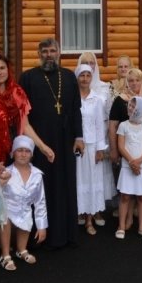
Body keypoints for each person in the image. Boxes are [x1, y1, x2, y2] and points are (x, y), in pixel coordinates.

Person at [0, 53, 54, 256]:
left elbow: (24, 125)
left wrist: (43, 146)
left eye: (2, 68)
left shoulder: (17, 92)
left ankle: (13, 245)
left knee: (12, 198)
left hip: (13, 152)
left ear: (8, 70)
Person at [18, 38, 84, 249]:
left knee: (64, 185)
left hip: (65, 141)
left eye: (52, 50)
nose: (48, 54)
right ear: (39, 54)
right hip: (39, 141)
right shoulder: (28, 78)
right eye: (44, 51)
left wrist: (79, 137)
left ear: (59, 53)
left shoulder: (69, 77)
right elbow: (21, 115)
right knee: (40, 187)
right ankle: (38, 235)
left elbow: (75, 109)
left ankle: (66, 233)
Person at [108, 67, 142, 230]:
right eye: (131, 80)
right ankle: (128, 218)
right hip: (126, 151)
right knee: (127, 190)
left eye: (137, 80)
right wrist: (114, 150)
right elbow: (113, 125)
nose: (134, 83)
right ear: (126, 83)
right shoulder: (120, 100)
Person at [0, 136, 48, 271]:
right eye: (19, 150)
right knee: (4, 216)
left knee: (26, 215)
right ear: (13, 153)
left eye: (27, 151)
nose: (23, 154)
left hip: (24, 212)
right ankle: (5, 254)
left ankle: (21, 250)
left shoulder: (37, 175)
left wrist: (42, 226)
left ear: (31, 155)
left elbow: (40, 202)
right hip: (5, 212)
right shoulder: (6, 171)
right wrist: (0, 183)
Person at [75, 64, 110, 234]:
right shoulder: (72, 97)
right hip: (76, 145)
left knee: (91, 180)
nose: (85, 79)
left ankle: (89, 220)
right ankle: (78, 214)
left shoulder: (96, 99)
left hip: (92, 145)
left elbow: (99, 124)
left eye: (88, 75)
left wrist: (100, 148)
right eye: (82, 75)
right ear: (77, 77)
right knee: (77, 180)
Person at [115, 96, 142, 239]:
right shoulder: (123, 125)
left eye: (133, 107)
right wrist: (132, 162)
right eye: (129, 105)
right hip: (128, 166)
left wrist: (139, 162)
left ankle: (141, 227)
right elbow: (121, 146)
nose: (130, 108)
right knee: (125, 196)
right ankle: (121, 227)